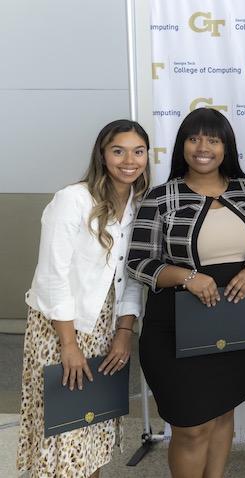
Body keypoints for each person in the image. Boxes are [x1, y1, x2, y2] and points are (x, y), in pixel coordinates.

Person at [126, 108, 245, 478]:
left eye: (213, 139)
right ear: (182, 145)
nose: (202, 147)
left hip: (237, 324)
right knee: (191, 427)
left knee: (222, 414)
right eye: (194, 138)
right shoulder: (161, 198)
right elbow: (137, 262)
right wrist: (186, 276)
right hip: (175, 329)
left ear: (226, 147)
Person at [17, 119, 150, 478]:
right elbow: (52, 276)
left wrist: (125, 332)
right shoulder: (72, 199)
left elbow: (133, 276)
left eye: (138, 151)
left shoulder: (141, 205)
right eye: (118, 151)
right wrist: (69, 344)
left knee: (92, 427)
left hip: (107, 327)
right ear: (102, 155)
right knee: (63, 431)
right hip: (61, 330)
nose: (129, 161)